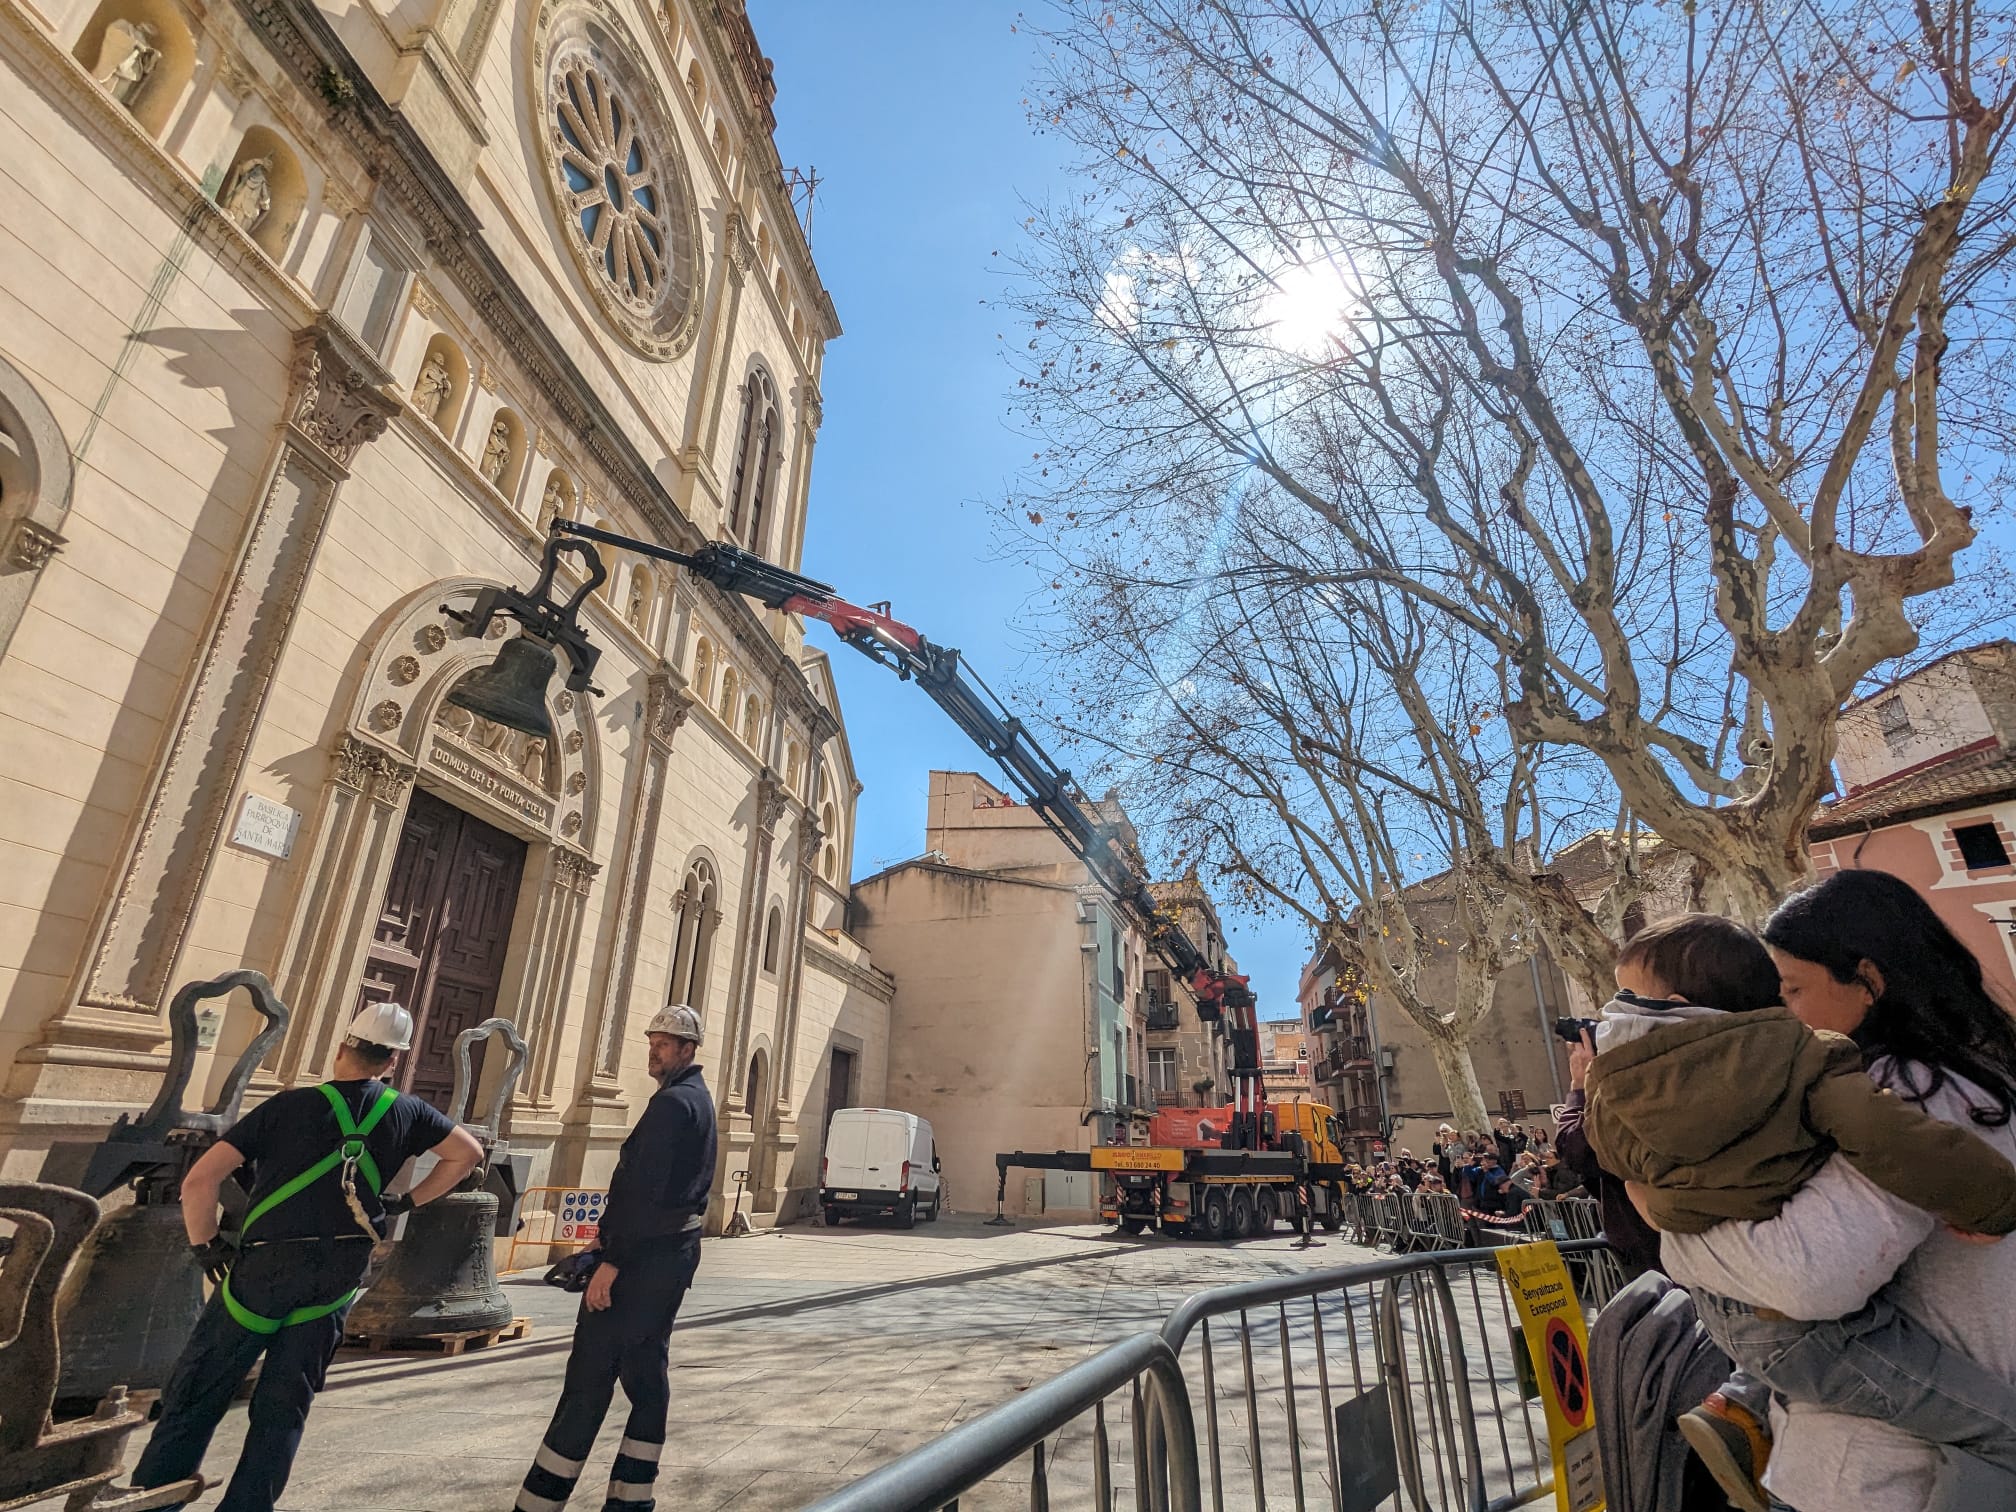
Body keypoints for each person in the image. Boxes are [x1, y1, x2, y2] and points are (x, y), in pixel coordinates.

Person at [1586, 907, 2016, 1512]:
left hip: (1730, 1316)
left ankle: (1741, 1404)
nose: (1784, 1003)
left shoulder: (1616, 1087)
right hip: (1812, 1348)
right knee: (2003, 1433)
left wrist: (1668, 1216)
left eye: (1793, 988)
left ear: (1868, 978)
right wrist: (1990, 1200)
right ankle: (1743, 1404)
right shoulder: (1808, 1056)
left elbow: (1618, 1166)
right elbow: (1883, 1138)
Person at [129, 1002, 482, 1512]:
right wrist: (407, 1201)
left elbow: (198, 1181)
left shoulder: (284, 1106)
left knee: (199, 1392)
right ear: (391, 1063)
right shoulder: (405, 1111)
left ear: (342, 1049)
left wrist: (206, 1247)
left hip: (263, 1270)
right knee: (284, 1407)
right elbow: (466, 1153)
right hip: (336, 1276)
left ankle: (154, 1501)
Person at [517, 1005, 716, 1512]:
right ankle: (632, 1497)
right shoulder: (695, 1099)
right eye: (652, 1041)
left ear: (688, 1050)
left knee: (590, 1373)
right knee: (646, 1371)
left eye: (665, 1043)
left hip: (645, 1259)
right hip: (667, 1254)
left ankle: (542, 1499)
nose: (654, 1050)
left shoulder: (674, 1103)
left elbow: (645, 1191)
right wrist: (603, 1241)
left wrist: (612, 1260)